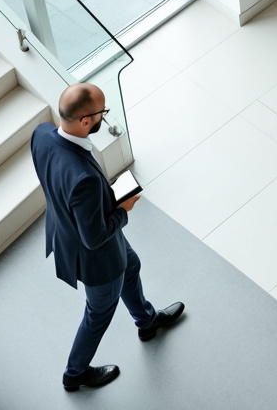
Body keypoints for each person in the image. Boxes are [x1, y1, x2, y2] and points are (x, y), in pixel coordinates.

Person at [30, 83, 184, 392]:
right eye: (103, 111)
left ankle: (147, 321)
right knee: (98, 314)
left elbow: (59, 185)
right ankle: (74, 374)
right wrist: (123, 208)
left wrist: (100, 200)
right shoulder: (84, 179)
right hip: (97, 258)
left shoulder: (43, 135)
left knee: (131, 265)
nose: (104, 116)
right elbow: (95, 236)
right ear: (86, 120)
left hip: (72, 231)